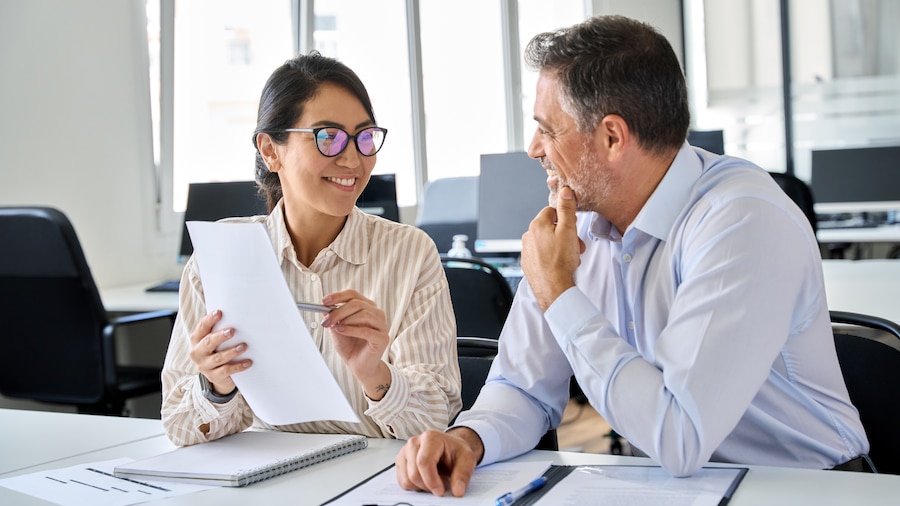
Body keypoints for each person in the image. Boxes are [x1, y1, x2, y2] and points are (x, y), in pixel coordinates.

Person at [396, 15, 869, 497]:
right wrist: (469, 439)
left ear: (612, 137)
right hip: (676, 487)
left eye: (547, 130)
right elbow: (523, 387)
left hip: (808, 488)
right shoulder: (577, 224)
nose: (533, 148)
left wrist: (558, 292)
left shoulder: (742, 220)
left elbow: (679, 436)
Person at [161, 52, 461, 447]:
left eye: (364, 137)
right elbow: (179, 425)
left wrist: (375, 374)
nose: (353, 159)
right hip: (263, 478)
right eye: (328, 137)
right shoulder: (221, 257)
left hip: (376, 479)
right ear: (270, 150)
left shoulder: (408, 253)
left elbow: (437, 421)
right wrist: (217, 386)